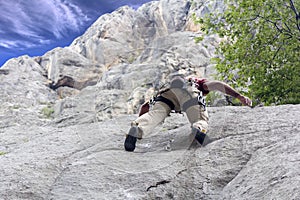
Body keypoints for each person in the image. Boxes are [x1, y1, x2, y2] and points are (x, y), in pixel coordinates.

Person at [124, 75, 252, 152]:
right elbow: (217, 85)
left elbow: (145, 106)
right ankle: (198, 128)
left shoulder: (165, 87)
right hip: (188, 93)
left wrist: (139, 121)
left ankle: (138, 128)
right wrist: (238, 96)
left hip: (165, 96)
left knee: (155, 114)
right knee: (200, 118)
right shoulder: (196, 82)